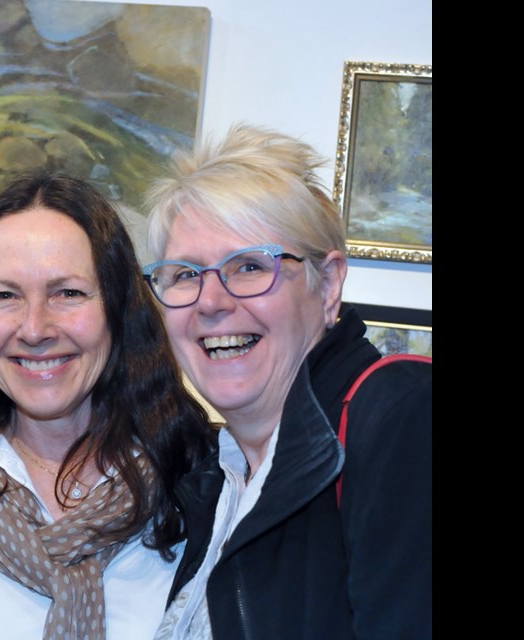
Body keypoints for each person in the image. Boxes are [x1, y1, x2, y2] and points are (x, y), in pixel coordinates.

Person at [0, 173, 215, 639]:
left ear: (117, 309)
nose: (35, 329)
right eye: (4, 295)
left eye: (68, 293)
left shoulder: (196, 481)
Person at [141, 124, 431, 639]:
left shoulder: (401, 417)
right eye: (185, 274)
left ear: (329, 284)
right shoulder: (217, 477)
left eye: (250, 266)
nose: (211, 302)